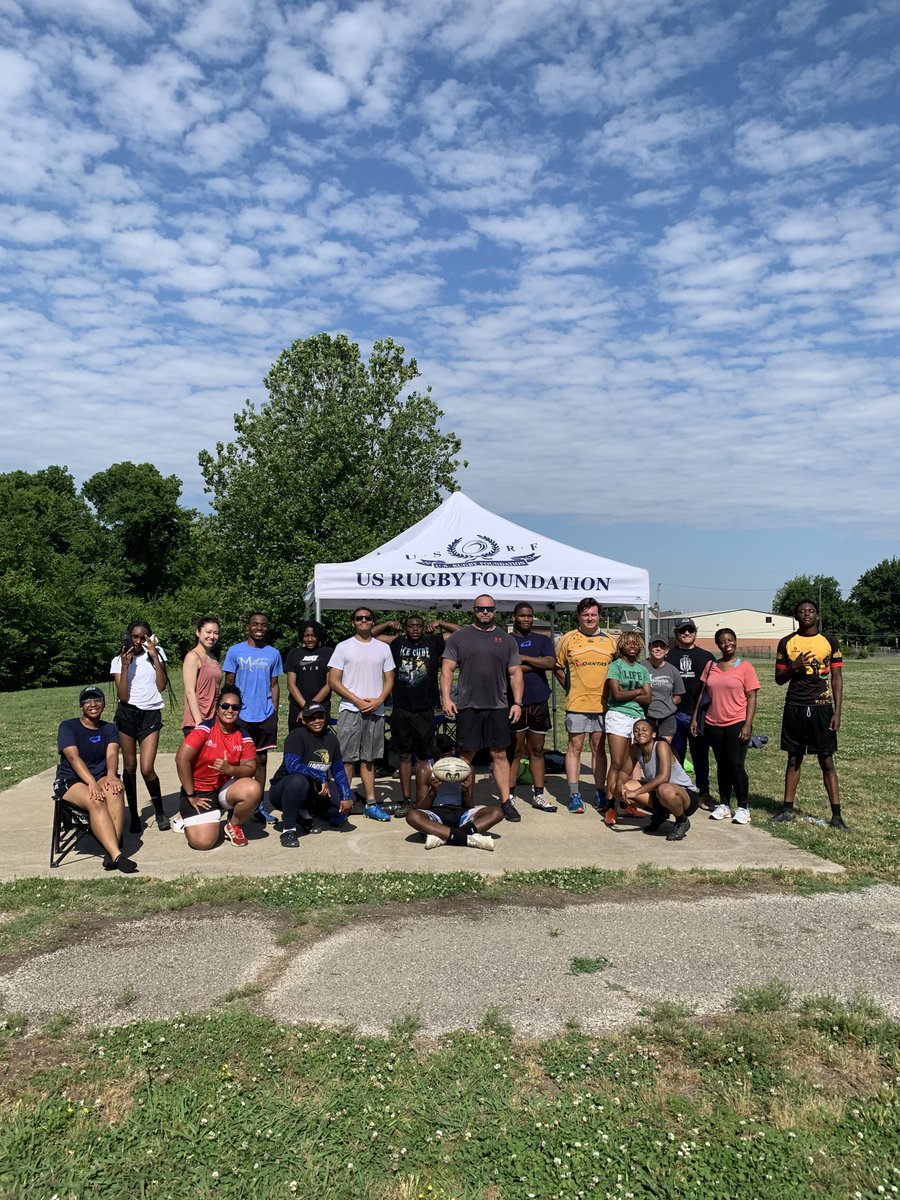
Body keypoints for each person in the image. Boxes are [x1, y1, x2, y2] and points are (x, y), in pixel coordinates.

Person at [440, 595, 524, 821]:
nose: (484, 612)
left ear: (495, 611)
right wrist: (446, 698)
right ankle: (463, 801)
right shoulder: (459, 637)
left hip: (498, 706)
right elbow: (446, 669)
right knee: (466, 755)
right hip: (468, 707)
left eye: (488, 609)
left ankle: (506, 801)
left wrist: (517, 703)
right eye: (480, 608)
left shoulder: (506, 640)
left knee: (499, 754)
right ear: (474, 610)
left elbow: (516, 672)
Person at [771, 599, 847, 830]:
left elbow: (836, 678)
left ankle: (836, 816)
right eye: (802, 611)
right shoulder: (786, 642)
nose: (807, 614)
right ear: (796, 617)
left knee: (827, 760)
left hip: (822, 707)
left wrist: (837, 712)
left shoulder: (829, 641)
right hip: (795, 706)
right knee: (793, 758)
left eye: (811, 611)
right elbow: (779, 679)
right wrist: (794, 666)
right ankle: (787, 809)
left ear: (817, 615)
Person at [375, 614, 459, 810]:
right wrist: (388, 623)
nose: (415, 629)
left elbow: (460, 632)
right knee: (404, 755)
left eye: (418, 626)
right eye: (410, 626)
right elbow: (370, 635)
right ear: (404, 628)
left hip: (424, 708)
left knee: (423, 756)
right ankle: (406, 799)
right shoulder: (397, 642)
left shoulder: (433, 642)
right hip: (401, 708)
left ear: (423, 628)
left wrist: (439, 622)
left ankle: (422, 799)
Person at [54, 686, 136, 873]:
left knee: (115, 790)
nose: (93, 704)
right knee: (96, 799)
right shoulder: (67, 726)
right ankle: (117, 855)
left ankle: (110, 853)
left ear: (104, 704)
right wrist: (91, 783)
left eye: (97, 700)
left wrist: (111, 774)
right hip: (71, 780)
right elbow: (74, 758)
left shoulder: (110, 728)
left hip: (100, 776)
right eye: (87, 701)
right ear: (81, 706)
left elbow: (112, 754)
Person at [328, 607, 395, 820]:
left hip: (375, 711)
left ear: (373, 621)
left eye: (368, 618)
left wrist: (379, 700)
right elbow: (333, 680)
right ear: (353, 622)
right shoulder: (343, 647)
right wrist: (356, 700)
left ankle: (371, 803)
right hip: (350, 710)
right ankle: (345, 804)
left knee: (369, 759)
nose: (363, 621)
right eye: (359, 618)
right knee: (347, 759)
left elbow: (390, 679)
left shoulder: (383, 648)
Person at [174, 686, 262, 849]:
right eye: (225, 706)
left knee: (254, 789)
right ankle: (186, 821)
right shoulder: (205, 729)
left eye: (235, 707)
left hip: (224, 789)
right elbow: (181, 759)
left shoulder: (243, 735)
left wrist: (231, 770)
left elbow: (251, 768)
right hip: (199, 792)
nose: (230, 710)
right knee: (203, 843)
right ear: (217, 708)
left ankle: (233, 824)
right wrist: (190, 794)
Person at [554, 597, 617, 815]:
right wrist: (570, 689)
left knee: (599, 749)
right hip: (577, 704)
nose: (589, 618)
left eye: (593, 615)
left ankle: (600, 791)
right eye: (585, 615)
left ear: (599, 616)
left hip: (603, 705)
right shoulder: (567, 639)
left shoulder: (610, 641)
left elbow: (617, 669)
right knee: (575, 747)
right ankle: (574, 794)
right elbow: (558, 667)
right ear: (579, 616)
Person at [691, 627, 760, 824]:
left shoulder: (745, 667)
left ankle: (743, 807)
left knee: (736, 764)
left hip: (737, 722)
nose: (726, 644)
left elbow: (752, 697)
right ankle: (724, 804)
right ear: (718, 644)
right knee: (721, 764)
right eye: (722, 641)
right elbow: (702, 694)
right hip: (713, 722)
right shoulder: (711, 666)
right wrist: (696, 717)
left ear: (736, 641)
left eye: (730, 640)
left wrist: (748, 723)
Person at [111, 619, 169, 833]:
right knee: (129, 766)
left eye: (142, 637)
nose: (138, 641)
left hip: (150, 714)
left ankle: (160, 811)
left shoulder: (156, 654)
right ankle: (134, 815)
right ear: (128, 637)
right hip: (127, 714)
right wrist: (126, 666)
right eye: (134, 637)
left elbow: (162, 685)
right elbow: (123, 696)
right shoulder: (118, 660)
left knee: (147, 768)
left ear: (149, 638)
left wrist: (154, 655)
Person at [269, 702, 354, 847]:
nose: (317, 721)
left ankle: (303, 813)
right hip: (283, 791)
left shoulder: (331, 739)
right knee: (298, 781)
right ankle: (289, 829)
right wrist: (320, 776)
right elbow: (292, 766)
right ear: (303, 720)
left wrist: (346, 796)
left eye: (320, 717)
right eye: (311, 718)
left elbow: (338, 769)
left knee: (345, 803)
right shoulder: (296, 736)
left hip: (313, 790)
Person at [222, 612, 283, 800]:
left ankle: (258, 803)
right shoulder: (235, 651)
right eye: (255, 624)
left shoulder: (273, 653)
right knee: (238, 759)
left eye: (263, 625)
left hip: (264, 714)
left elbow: (274, 685)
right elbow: (229, 683)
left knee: (261, 759)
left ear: (267, 627)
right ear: (248, 627)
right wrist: (229, 710)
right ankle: (237, 797)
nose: (259, 628)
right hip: (241, 715)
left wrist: (273, 710)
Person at [405, 735, 502, 851]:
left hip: (461, 813)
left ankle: (444, 837)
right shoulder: (425, 769)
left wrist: (465, 791)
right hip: (436, 814)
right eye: (437, 758)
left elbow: (469, 805)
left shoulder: (466, 768)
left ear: (453, 751)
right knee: (412, 816)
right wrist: (433, 791)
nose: (440, 761)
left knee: (497, 812)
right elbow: (420, 807)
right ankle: (467, 838)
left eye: (444, 757)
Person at [505, 603, 558, 812]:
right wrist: (534, 665)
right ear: (514, 617)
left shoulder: (542, 640)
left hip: (538, 702)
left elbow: (550, 663)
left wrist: (524, 660)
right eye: (522, 616)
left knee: (536, 750)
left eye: (529, 616)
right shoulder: (506, 641)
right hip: (515, 704)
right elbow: (506, 668)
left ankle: (539, 795)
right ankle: (509, 795)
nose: (526, 619)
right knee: (514, 752)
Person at [622, 718, 700, 842]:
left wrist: (635, 793)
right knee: (621, 787)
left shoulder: (661, 745)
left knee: (664, 788)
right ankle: (660, 814)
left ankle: (682, 821)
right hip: (659, 792)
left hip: (685, 795)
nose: (640, 732)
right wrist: (620, 786)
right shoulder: (635, 749)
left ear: (653, 734)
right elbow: (624, 772)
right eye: (636, 731)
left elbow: (664, 778)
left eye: (644, 729)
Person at [603, 631, 652, 825]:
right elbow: (616, 695)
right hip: (618, 716)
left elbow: (648, 698)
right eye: (628, 643)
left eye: (636, 643)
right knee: (616, 763)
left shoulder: (642, 669)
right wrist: (639, 690)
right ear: (621, 646)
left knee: (632, 764)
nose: (632, 645)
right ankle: (610, 806)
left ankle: (627, 803)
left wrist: (630, 693)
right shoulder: (615, 667)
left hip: (638, 718)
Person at [666, 618, 714, 809]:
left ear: (695, 632)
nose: (687, 633)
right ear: (676, 633)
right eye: (682, 631)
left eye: (690, 630)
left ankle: (704, 792)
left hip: (698, 715)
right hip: (674, 715)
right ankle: (680, 791)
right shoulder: (669, 656)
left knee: (700, 755)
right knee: (675, 755)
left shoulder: (707, 657)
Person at [284, 621, 333, 730]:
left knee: (319, 744)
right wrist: (305, 708)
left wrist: (311, 708)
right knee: (297, 741)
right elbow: (291, 685)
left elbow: (329, 684)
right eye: (306, 636)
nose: (310, 639)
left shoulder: (328, 653)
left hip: (321, 706)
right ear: (302, 636)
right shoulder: (294, 653)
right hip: (297, 707)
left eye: (313, 636)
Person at [181, 616, 222, 734]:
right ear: (198, 632)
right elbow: (190, 691)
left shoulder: (213, 658)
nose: (212, 636)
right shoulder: (192, 657)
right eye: (208, 632)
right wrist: (200, 723)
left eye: (216, 633)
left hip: (212, 721)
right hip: (196, 723)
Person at [643, 636, 685, 743]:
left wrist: (667, 705)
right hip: (646, 715)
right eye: (655, 646)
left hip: (667, 717)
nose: (658, 649)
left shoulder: (672, 670)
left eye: (662, 647)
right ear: (649, 647)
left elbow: (678, 696)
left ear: (667, 650)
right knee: (646, 749)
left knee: (663, 749)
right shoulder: (641, 666)